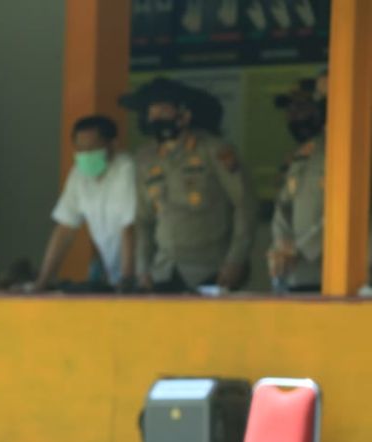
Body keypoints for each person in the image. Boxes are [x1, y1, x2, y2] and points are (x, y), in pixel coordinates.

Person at [128, 78, 256, 293]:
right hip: (164, 270)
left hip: (212, 268)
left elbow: (245, 205)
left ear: (184, 115)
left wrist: (236, 260)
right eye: (152, 113)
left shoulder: (214, 150)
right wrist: (142, 269)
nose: (156, 118)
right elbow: (143, 221)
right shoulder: (145, 160)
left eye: (164, 111)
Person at [31, 115, 136, 292]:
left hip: (139, 276)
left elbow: (130, 227)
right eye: (80, 149)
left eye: (93, 148)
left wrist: (127, 281)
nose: (86, 154)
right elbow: (65, 229)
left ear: (112, 145)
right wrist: (42, 282)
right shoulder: (79, 174)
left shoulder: (127, 169)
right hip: (114, 276)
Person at [268, 79, 326, 293]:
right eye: (289, 109)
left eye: (301, 107)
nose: (293, 116)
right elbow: (283, 205)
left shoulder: (346, 148)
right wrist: (282, 245)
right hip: (294, 273)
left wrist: (300, 248)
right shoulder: (299, 155)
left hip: (330, 270)